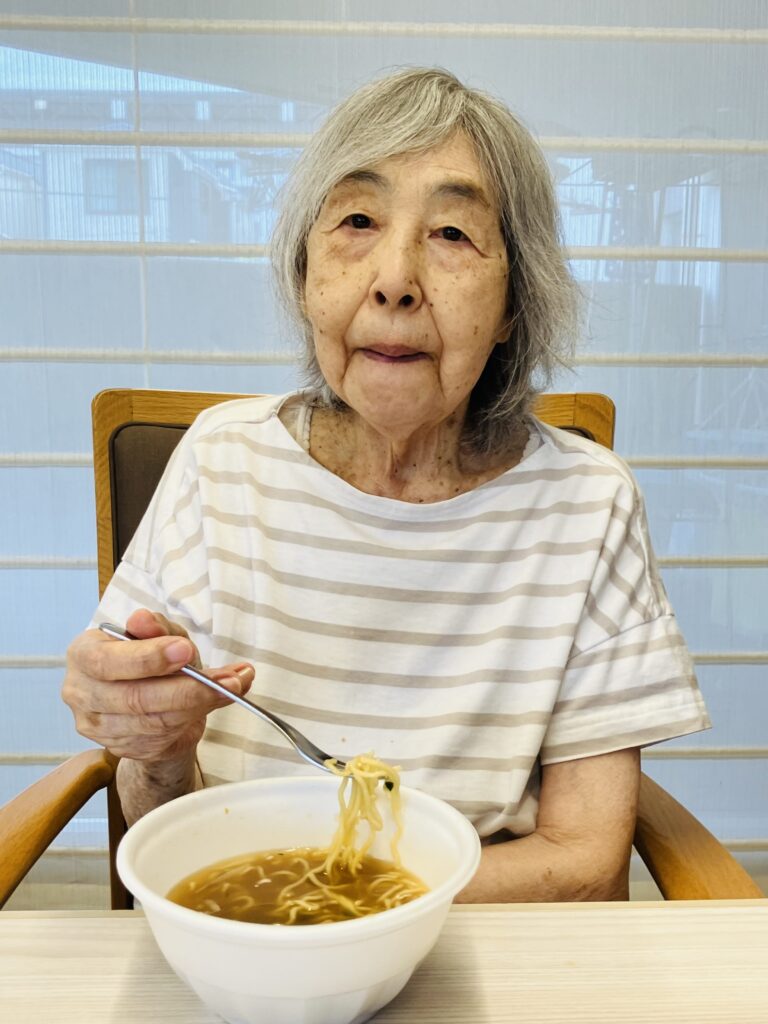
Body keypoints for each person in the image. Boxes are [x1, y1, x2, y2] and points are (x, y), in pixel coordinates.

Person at [62, 67, 710, 902]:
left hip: (483, 945)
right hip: (245, 922)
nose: (396, 279)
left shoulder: (587, 503)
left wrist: (359, 908)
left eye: (452, 234)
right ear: (306, 274)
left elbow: (584, 860)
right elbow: (159, 813)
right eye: (357, 221)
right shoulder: (221, 460)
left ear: (515, 299)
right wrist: (153, 747)